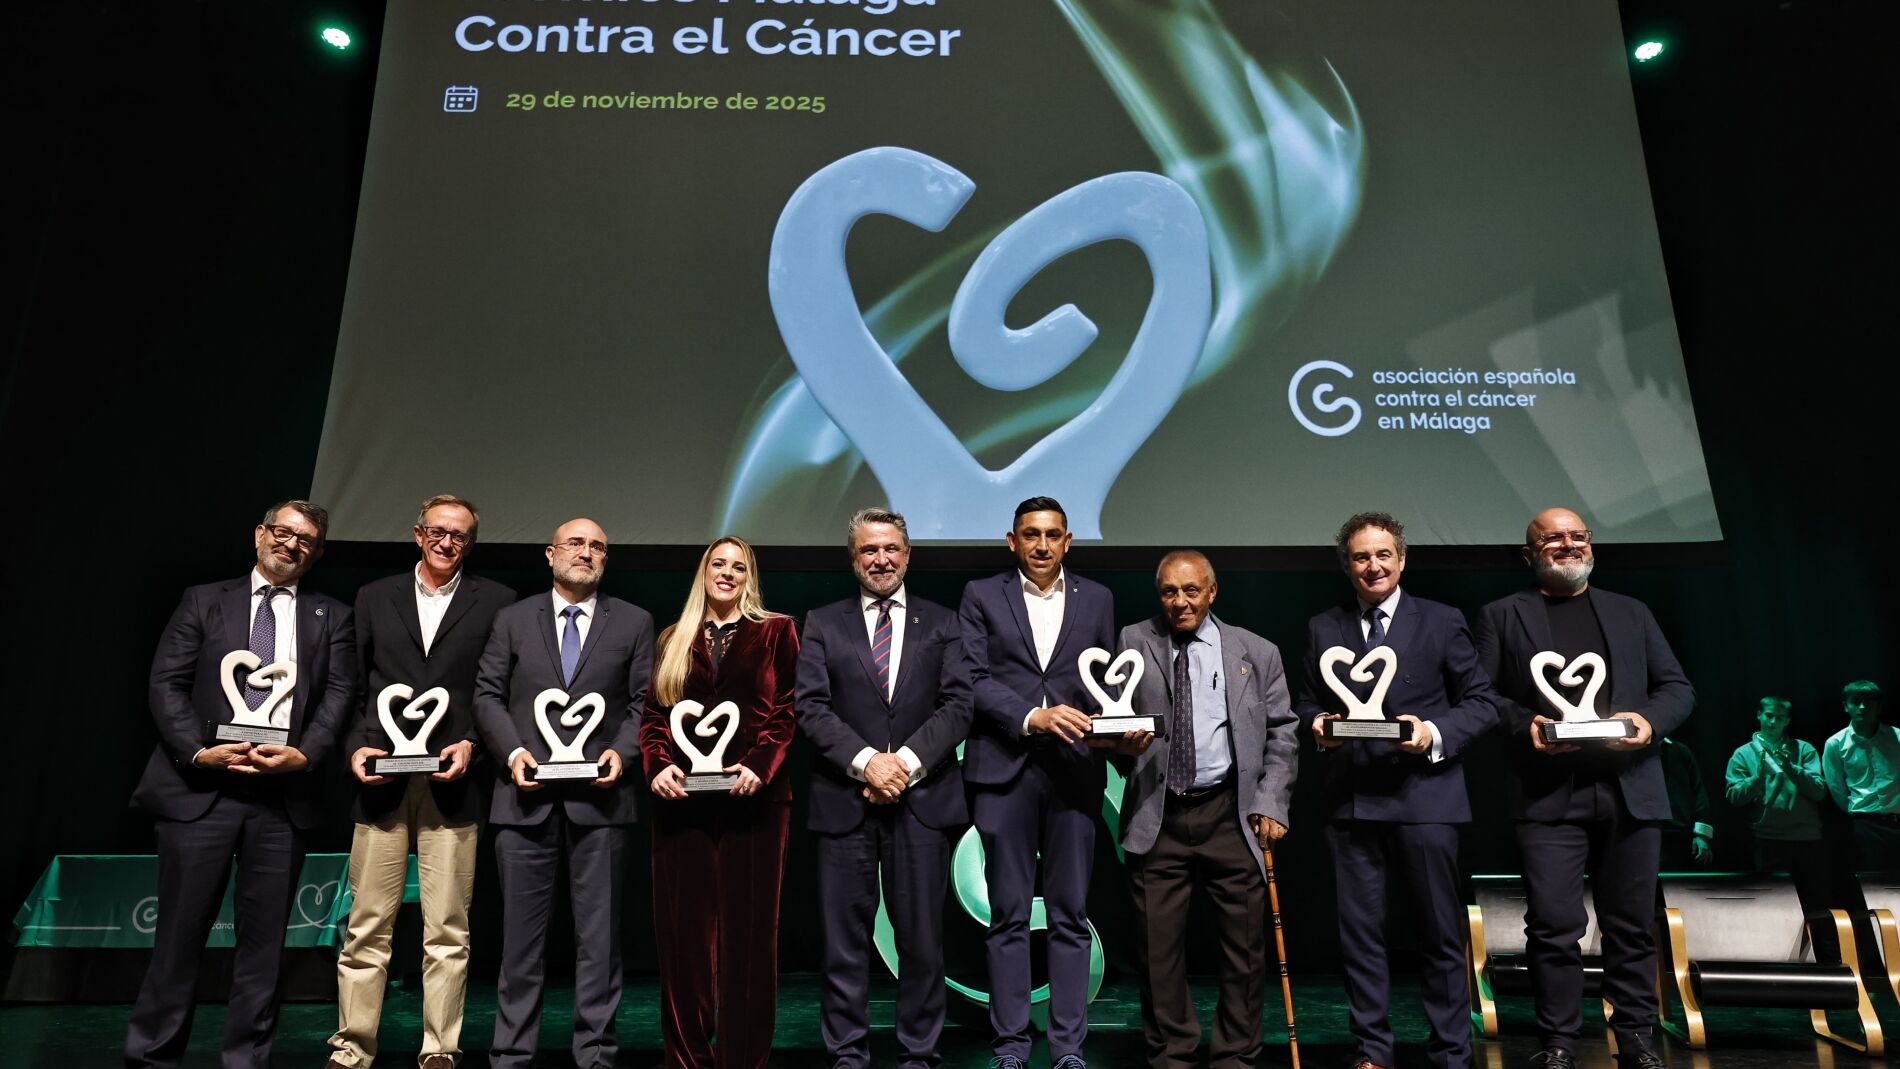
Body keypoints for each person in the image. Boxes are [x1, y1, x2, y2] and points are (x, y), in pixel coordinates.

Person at [124, 500, 357, 1069]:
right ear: (259, 534)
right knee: (177, 941)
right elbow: (166, 683)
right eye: (282, 532)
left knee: (264, 949)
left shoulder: (333, 615)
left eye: (305, 539)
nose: (291, 544)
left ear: (317, 553)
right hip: (200, 794)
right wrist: (199, 751)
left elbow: (339, 696)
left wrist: (305, 755)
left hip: (282, 803)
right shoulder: (204, 600)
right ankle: (152, 1059)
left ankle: (246, 1061)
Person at [1475, 507, 1693, 1069]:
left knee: (1631, 925)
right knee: (1552, 926)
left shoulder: (1631, 611)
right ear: (1530, 554)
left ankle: (1636, 1039)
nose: (1568, 544)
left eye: (1578, 535)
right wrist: (1525, 725)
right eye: (1553, 538)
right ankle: (1559, 1042)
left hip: (1630, 789)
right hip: (1548, 794)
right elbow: (1482, 697)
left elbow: (1676, 687)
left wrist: (1647, 722)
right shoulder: (1502, 615)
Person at [1296, 512, 1497, 1069]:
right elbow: (1307, 702)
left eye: (1383, 554)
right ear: (1347, 566)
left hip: (1426, 797)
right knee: (1360, 937)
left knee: (1439, 933)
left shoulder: (1442, 620)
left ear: (1402, 560)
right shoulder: (1323, 627)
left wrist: (1432, 734)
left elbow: (1481, 702)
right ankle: (1373, 1052)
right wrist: (1317, 725)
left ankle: (1452, 1053)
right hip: (1352, 802)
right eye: (1361, 557)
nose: (1373, 566)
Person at [326, 495, 517, 1069]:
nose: (446, 542)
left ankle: (440, 1048)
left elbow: (497, 691)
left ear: (470, 544)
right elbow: (352, 685)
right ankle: (353, 1047)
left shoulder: (498, 602)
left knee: (449, 928)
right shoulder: (373, 596)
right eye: (438, 531)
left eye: (459, 535)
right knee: (367, 924)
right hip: (380, 780)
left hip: (454, 781)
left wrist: (474, 744)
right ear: (418, 534)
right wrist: (356, 745)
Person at [473, 518, 654, 1069]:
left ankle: (595, 1054)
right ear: (550, 554)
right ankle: (511, 1054)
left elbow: (644, 702)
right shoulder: (512, 618)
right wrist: (512, 753)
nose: (586, 552)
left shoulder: (634, 621)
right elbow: (486, 695)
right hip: (523, 801)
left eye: (598, 546)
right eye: (575, 543)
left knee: (599, 941)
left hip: (602, 803)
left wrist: (621, 754)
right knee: (519, 943)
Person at [796, 508, 973, 1069]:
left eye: (891, 548)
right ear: (854, 558)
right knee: (842, 944)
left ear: (908, 554)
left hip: (922, 804)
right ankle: (848, 1054)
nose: (881, 559)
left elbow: (958, 705)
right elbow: (811, 707)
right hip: (843, 801)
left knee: (921, 941)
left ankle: (919, 1054)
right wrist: (868, 763)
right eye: (869, 550)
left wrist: (904, 766)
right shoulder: (822, 622)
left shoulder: (943, 622)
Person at [1115, 550, 1297, 1069]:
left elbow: (1283, 732)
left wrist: (1271, 801)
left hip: (1230, 813)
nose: (1180, 602)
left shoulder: (1256, 651)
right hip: (1159, 813)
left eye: (1191, 591)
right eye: (1169, 592)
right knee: (1157, 951)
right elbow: (1116, 719)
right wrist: (1119, 744)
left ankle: (1235, 1055)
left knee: (1244, 950)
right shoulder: (1133, 640)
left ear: (1212, 592)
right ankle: (1172, 1054)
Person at [957, 496, 1115, 1069]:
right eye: (1030, 534)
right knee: (1009, 915)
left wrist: (1117, 724)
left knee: (1071, 913)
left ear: (1067, 541)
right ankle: (1011, 1045)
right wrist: (1032, 716)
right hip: (1005, 767)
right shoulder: (981, 594)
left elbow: (1106, 682)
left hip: (1074, 770)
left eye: (1052, 535)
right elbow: (971, 677)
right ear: (1012, 541)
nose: (1042, 545)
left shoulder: (1098, 598)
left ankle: (1069, 1047)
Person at [641, 536, 800, 1069]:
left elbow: (786, 709)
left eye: (739, 566)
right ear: (704, 572)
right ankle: (688, 1059)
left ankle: (743, 1061)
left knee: (750, 943)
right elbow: (654, 716)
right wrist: (658, 765)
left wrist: (760, 765)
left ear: (749, 577)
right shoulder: (673, 637)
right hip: (681, 807)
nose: (727, 573)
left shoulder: (777, 631)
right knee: (683, 941)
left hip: (755, 806)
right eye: (718, 564)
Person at [1725, 696, 1849, 961]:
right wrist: (1757, 778)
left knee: (1817, 904)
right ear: (1759, 715)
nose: (1773, 721)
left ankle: (1827, 963)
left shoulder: (1803, 749)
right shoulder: (1743, 753)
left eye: (1779, 717)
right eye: (1769, 715)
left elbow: (1819, 791)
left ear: (1787, 721)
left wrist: (1791, 768)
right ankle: (1773, 963)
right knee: (1772, 906)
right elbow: (1734, 797)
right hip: (1767, 840)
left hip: (1807, 839)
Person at [1821, 680, 1899, 873]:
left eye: (1869, 702)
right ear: (1846, 706)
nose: (1863, 707)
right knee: (1872, 881)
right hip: (1864, 825)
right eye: (1856, 702)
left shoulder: (1897, 737)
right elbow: (1836, 787)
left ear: (1879, 706)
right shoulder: (1835, 743)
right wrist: (1857, 813)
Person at [1658, 739, 1715, 870]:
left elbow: (1699, 792)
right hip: (1643, 833)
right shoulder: (1631, 751)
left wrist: (1701, 835)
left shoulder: (1679, 751)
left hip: (1679, 835)